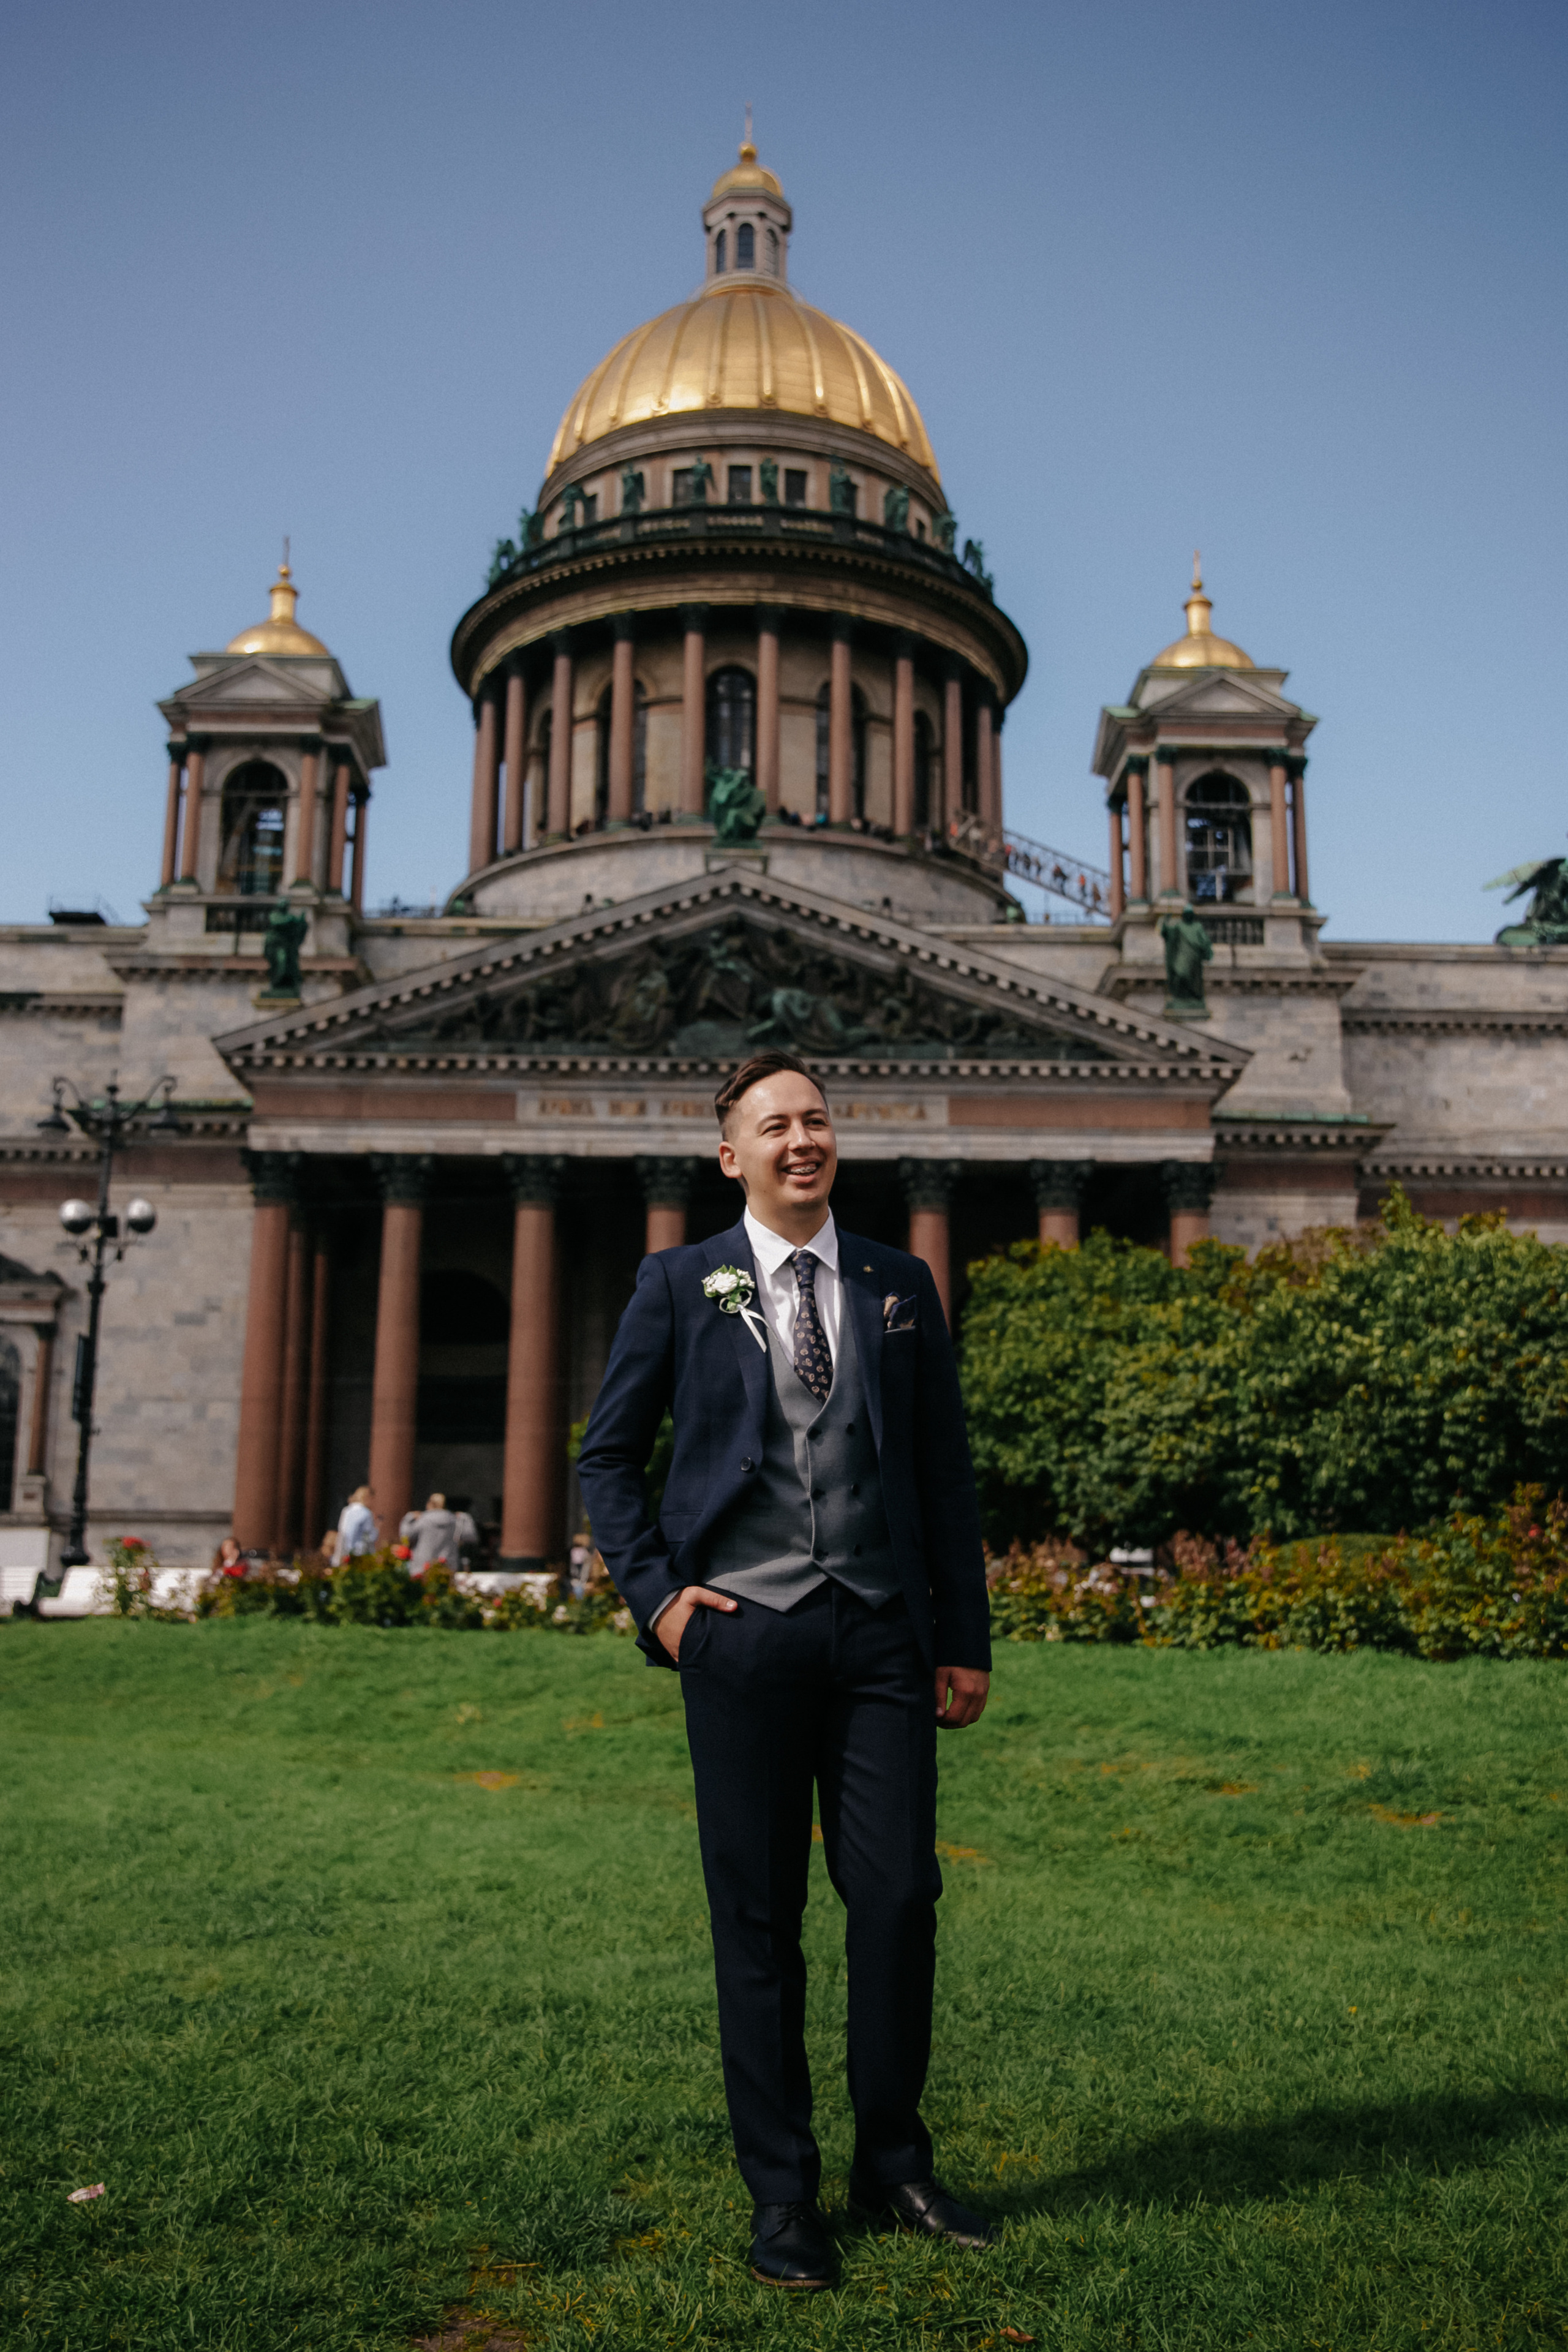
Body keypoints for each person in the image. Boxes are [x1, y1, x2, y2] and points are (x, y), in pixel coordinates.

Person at [577, 1050, 993, 2291]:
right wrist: (660, 1602)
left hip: (880, 1635)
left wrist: (962, 1637)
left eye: (816, 1120)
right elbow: (607, 1457)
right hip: (741, 1635)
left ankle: (894, 2163)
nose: (801, 1140)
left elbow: (941, 1470)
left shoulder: (896, 1283)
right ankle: (782, 2197)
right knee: (758, 1921)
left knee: (898, 1898)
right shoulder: (679, 1282)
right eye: (775, 1126)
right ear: (732, 1156)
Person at [398, 1493, 459, 1575]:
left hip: (423, 1563)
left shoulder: (424, 1519)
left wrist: (408, 1519)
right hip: (447, 1562)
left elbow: (406, 1535)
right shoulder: (453, 1520)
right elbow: (466, 1535)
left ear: (430, 1504)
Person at [334, 1485, 378, 1565]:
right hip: (360, 1554)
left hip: (344, 1552)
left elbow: (343, 1532)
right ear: (369, 1498)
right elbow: (370, 1537)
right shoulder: (366, 1513)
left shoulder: (347, 1510)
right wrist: (377, 1527)